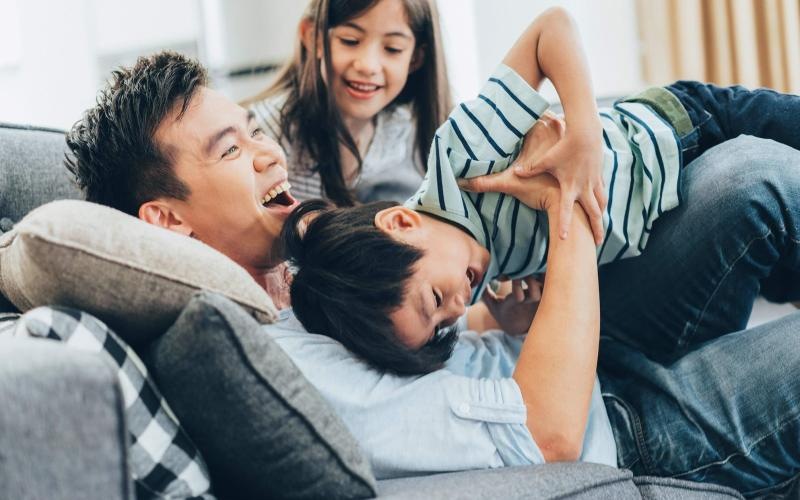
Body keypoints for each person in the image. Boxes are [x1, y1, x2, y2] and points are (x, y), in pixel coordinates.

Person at [64, 36, 800, 498]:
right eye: (231, 150)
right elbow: (547, 433)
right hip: (627, 422)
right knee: (756, 172)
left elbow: (429, 330)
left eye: (255, 130)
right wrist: (565, 206)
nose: (267, 153)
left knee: (750, 176)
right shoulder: (270, 358)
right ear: (166, 220)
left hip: (583, 345)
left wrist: (490, 311)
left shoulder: (291, 281)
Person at [281, 7, 800, 375]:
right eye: (445, 323)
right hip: (661, 223)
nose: (457, 307)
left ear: (399, 223)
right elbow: (474, 308)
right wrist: (504, 318)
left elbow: (552, 28)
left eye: (437, 300)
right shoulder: (465, 267)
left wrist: (583, 132)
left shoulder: (459, 157)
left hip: (679, 130)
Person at [243, 0, 452, 206]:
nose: (368, 66)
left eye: (393, 48)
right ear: (313, 37)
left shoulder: (402, 128)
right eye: (350, 41)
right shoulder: (266, 132)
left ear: (415, 58)